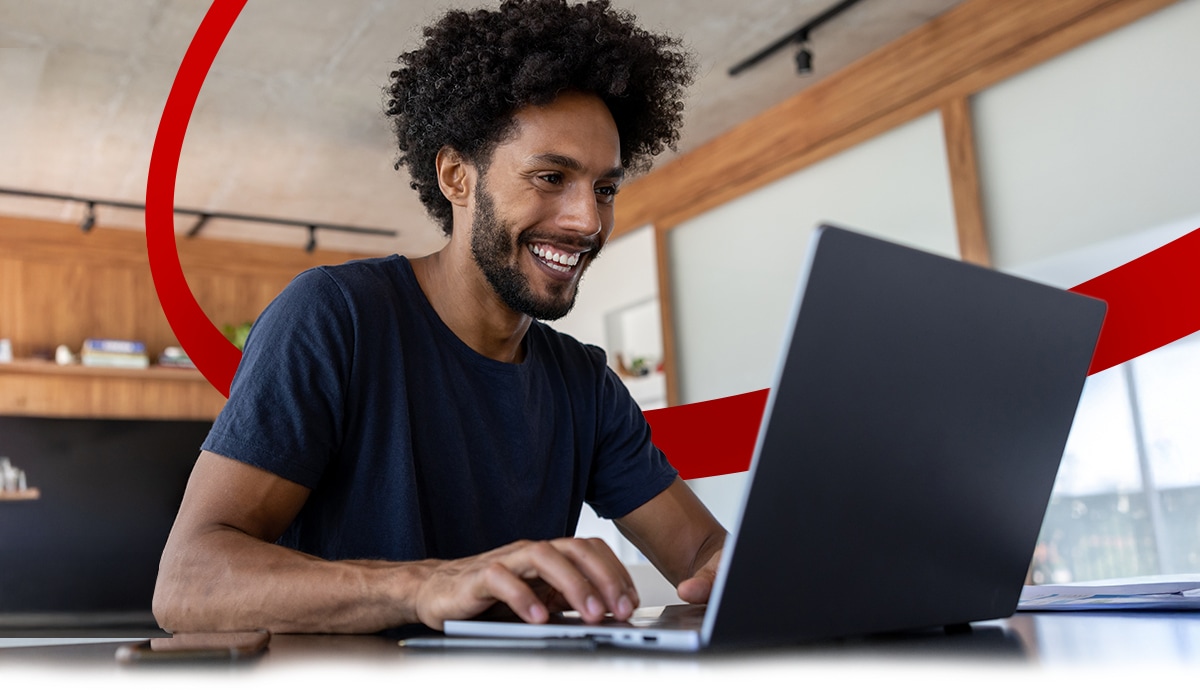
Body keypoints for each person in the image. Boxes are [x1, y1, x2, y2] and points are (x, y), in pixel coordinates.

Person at [153, 0, 726, 635]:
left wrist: (738, 564)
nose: (588, 220)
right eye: (549, 176)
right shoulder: (333, 316)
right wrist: (424, 584)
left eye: (605, 189)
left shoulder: (584, 385)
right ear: (456, 176)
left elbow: (702, 554)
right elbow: (188, 580)